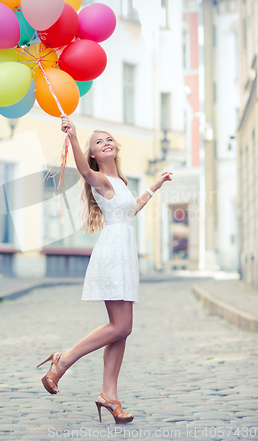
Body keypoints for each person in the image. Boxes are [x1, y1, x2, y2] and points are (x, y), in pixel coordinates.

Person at [37, 114, 173, 424]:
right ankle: (64, 361)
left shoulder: (122, 183)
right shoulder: (98, 178)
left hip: (124, 254)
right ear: (95, 155)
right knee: (121, 326)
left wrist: (155, 185)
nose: (106, 142)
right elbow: (83, 172)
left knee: (121, 331)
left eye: (109, 138)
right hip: (113, 255)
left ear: (116, 148)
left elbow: (131, 209)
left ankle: (109, 396)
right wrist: (72, 136)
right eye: (98, 142)